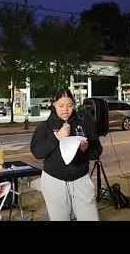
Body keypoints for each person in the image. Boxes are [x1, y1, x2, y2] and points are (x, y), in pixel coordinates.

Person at [30, 89, 102, 221]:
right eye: (61, 105)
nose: (65, 109)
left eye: (69, 105)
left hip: (81, 179)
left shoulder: (84, 123)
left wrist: (86, 149)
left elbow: (97, 151)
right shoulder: (44, 126)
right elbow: (37, 153)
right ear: (54, 105)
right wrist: (57, 137)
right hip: (54, 181)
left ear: (74, 105)